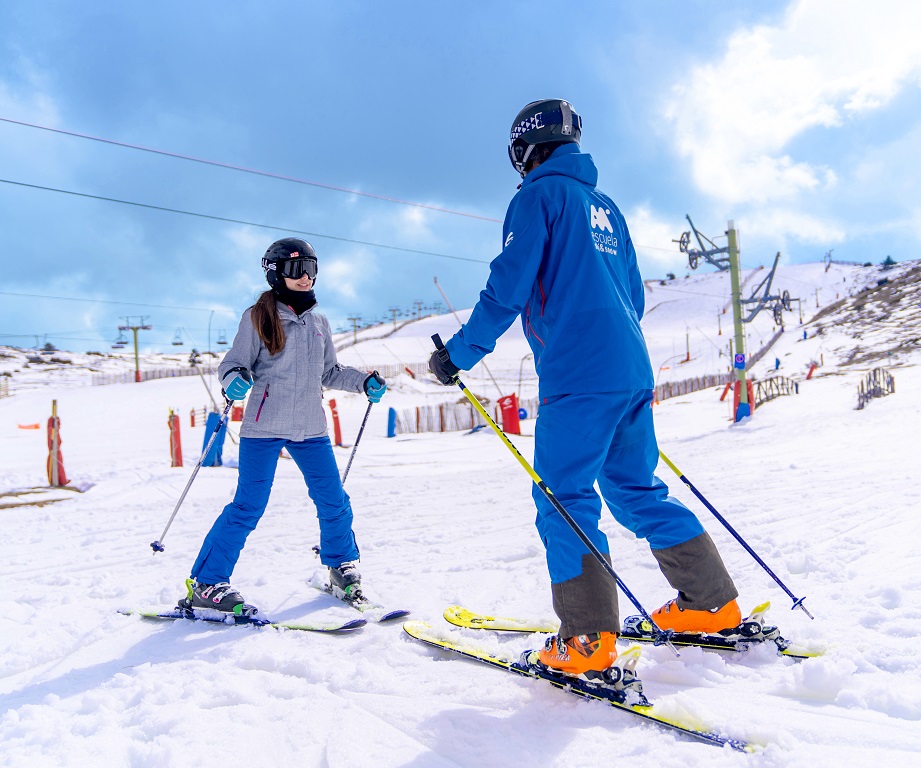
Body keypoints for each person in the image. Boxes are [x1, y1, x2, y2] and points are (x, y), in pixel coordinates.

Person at [429, 100, 740, 679]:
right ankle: (710, 604)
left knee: (563, 496)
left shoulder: (537, 197)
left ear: (524, 149)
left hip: (578, 371)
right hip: (630, 368)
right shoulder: (606, 207)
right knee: (636, 488)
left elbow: (508, 285)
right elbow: (633, 294)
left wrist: (459, 353)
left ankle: (587, 639)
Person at [181, 237, 387, 616]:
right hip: (264, 427)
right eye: (296, 269)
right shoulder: (257, 317)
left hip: (310, 427)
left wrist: (363, 382)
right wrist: (234, 380)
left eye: (311, 268)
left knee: (334, 500)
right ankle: (208, 582)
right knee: (248, 506)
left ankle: (340, 567)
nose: (306, 277)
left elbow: (329, 372)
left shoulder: (319, 323)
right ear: (276, 274)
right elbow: (231, 364)